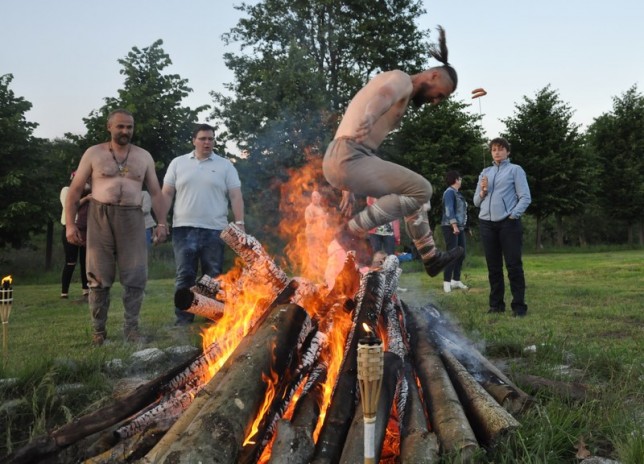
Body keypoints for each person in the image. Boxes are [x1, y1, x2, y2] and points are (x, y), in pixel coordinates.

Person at [322, 26, 463, 278]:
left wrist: (348, 186)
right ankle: (350, 231)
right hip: (349, 155)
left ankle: (430, 256)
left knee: (411, 193)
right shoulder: (401, 80)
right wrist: (370, 115)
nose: (435, 101)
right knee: (424, 189)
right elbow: (383, 96)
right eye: (439, 95)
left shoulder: (399, 84)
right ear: (432, 76)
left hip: (344, 157)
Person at [66, 109, 169, 345]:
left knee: (135, 274)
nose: (125, 131)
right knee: (98, 276)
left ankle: (131, 329)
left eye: (129, 127)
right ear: (109, 127)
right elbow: (74, 190)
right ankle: (98, 332)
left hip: (133, 216)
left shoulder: (143, 156)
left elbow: (155, 192)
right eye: (120, 126)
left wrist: (161, 222)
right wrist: (70, 225)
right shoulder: (93, 153)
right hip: (100, 215)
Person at [162, 123, 245, 326]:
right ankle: (183, 319)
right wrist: (161, 220)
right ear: (194, 141)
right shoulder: (178, 163)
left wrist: (240, 222)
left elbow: (235, 195)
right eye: (203, 138)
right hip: (183, 227)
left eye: (210, 138)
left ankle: (213, 319)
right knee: (185, 275)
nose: (207, 142)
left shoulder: (225, 165)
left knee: (213, 277)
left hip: (215, 228)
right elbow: (167, 193)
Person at [473, 137, 531, 317]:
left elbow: (525, 197)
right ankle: (496, 305)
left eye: (500, 149)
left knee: (513, 265)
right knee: (494, 268)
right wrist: (483, 191)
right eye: (493, 149)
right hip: (486, 224)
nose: (496, 152)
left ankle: (519, 306)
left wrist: (513, 215)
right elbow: (476, 202)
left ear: (507, 151)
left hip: (508, 223)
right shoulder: (485, 172)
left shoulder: (515, 170)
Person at [59, 172, 90, 300]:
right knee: (70, 261)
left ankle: (86, 289)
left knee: (85, 261)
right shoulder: (66, 190)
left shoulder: (86, 192)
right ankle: (64, 292)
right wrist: (87, 198)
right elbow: (69, 205)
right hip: (69, 228)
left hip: (84, 228)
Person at [440, 170, 468, 293]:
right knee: (452, 254)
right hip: (450, 226)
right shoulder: (449, 192)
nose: (461, 181)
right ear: (456, 179)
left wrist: (465, 227)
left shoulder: (457, 193)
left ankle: (455, 280)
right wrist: (454, 225)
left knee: (462, 253)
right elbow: (449, 209)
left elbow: (462, 212)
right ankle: (446, 282)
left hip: (460, 227)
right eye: (460, 179)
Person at [304, 190, 329, 280]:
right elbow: (308, 220)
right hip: (312, 234)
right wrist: (321, 217)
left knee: (320, 253)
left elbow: (323, 221)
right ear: (311, 198)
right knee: (313, 253)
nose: (315, 198)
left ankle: (320, 273)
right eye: (314, 197)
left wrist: (325, 223)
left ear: (320, 198)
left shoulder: (320, 208)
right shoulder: (309, 208)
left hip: (320, 234)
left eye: (317, 196)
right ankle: (313, 274)